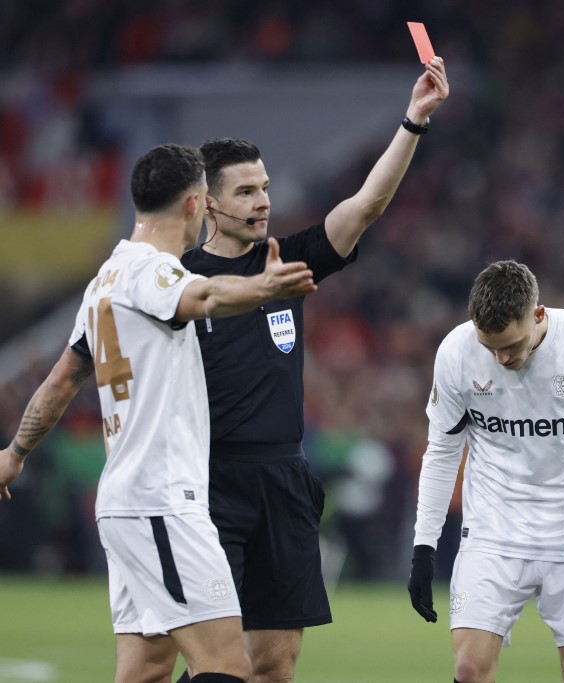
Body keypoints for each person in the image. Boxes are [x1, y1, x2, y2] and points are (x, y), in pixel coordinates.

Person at [0, 143, 318, 683]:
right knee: (227, 664)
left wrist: (17, 452)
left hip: (125, 502)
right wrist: (262, 288)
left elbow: (63, 378)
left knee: (147, 671)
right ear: (195, 204)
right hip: (163, 500)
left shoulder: (105, 279)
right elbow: (205, 298)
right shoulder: (153, 272)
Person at [177, 57, 449, 683]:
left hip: (284, 479)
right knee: (218, 662)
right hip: (208, 483)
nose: (263, 201)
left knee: (275, 663)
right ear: (208, 204)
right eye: (246, 192)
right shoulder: (177, 280)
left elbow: (367, 205)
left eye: (265, 187)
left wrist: (413, 120)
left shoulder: (290, 260)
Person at [407, 260, 564, 683]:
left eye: (511, 345)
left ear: (537, 315)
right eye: (489, 347)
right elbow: (442, 452)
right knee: (468, 669)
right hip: (492, 535)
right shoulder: (457, 352)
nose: (501, 359)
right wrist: (424, 546)